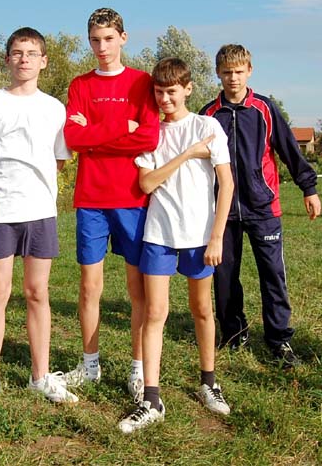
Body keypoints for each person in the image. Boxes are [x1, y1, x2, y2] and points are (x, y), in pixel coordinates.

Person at [118, 57, 234, 433]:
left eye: (171, 91)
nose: (165, 99)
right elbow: (147, 183)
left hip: (200, 238)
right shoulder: (151, 132)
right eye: (159, 92)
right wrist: (185, 154)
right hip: (159, 236)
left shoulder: (207, 126)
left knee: (202, 309)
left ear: (187, 89)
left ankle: (209, 382)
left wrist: (216, 236)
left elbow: (227, 184)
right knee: (155, 313)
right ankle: (151, 399)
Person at [0, 27, 78, 407]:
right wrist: (2, 184)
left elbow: (59, 159)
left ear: (43, 61)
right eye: (17, 52)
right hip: (1, 210)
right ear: (7, 59)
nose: (24, 59)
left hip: (41, 212)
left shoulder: (54, 108)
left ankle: (40, 375)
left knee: (37, 292)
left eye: (32, 53)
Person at [200, 44, 322, 367]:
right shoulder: (208, 115)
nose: (233, 78)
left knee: (272, 275)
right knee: (225, 277)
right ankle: (233, 333)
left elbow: (289, 149)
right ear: (218, 73)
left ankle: (279, 339)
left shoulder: (264, 109)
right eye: (227, 72)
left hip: (263, 208)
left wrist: (308, 188)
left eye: (239, 71)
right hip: (223, 212)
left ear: (249, 71)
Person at [62, 8, 160, 401]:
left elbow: (149, 138)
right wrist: (121, 127)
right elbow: (74, 139)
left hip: (132, 199)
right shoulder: (80, 85)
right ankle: (90, 365)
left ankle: (138, 368)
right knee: (90, 287)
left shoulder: (142, 82)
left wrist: (96, 136)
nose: (101, 47)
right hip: (91, 199)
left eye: (108, 38)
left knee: (138, 289)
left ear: (123, 37)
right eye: (95, 40)